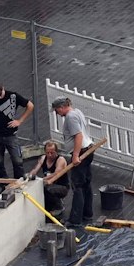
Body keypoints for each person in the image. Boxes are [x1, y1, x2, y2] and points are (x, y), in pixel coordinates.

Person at [50, 96, 106, 228]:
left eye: (57, 110)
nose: (57, 113)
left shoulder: (70, 117)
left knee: (78, 186)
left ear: (62, 107)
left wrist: (75, 156)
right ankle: (87, 213)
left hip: (81, 153)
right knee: (86, 183)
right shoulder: (77, 112)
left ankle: (75, 219)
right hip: (88, 150)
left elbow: (78, 136)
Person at [27, 140, 73, 217]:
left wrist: (42, 179)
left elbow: (56, 173)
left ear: (56, 152)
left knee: (47, 187)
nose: (50, 155)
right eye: (47, 153)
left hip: (62, 187)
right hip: (49, 184)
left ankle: (59, 206)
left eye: (52, 153)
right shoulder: (43, 158)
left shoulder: (60, 160)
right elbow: (35, 169)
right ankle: (50, 205)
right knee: (42, 187)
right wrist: (29, 175)